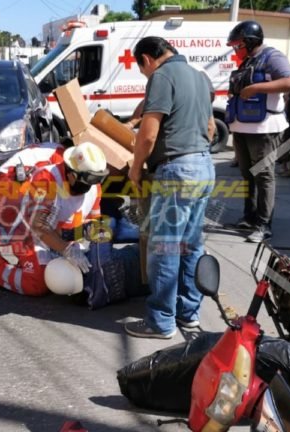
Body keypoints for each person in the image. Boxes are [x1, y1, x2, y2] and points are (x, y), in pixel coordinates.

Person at [122, 36, 215, 339]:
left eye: (141, 69)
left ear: (147, 59)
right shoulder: (200, 78)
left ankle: (160, 322)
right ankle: (189, 316)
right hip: (204, 167)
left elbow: (148, 135)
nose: (145, 75)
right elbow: (211, 128)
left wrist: (136, 171)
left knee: (164, 249)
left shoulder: (161, 76)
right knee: (191, 246)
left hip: (177, 171)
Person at [0, 142, 109, 297]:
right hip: (31, 235)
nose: (93, 184)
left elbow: (96, 221)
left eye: (98, 178)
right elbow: (39, 226)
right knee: (37, 284)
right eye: (89, 178)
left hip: (64, 237)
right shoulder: (46, 179)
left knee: (87, 276)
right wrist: (67, 250)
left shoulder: (94, 187)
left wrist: (97, 238)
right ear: (71, 174)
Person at [224, 21, 290, 243]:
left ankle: (264, 224)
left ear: (249, 41)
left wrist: (256, 88)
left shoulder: (271, 57)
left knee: (264, 176)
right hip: (242, 127)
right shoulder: (248, 61)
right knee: (247, 174)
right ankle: (250, 216)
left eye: (238, 45)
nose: (236, 49)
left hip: (264, 128)